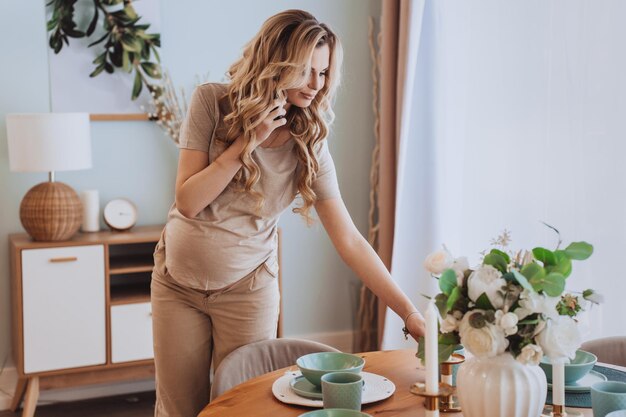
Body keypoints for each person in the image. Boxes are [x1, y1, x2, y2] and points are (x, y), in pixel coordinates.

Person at [150, 9, 425, 417]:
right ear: (276, 63)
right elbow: (188, 201)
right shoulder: (211, 101)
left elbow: (349, 240)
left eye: (325, 72)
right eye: (307, 71)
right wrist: (247, 141)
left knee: (244, 407)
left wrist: (409, 312)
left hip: (248, 292)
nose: (317, 84)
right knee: (179, 410)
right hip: (177, 285)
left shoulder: (309, 143)